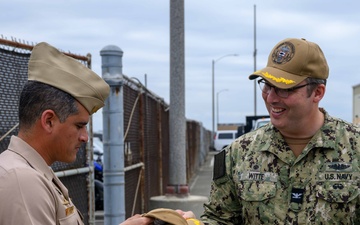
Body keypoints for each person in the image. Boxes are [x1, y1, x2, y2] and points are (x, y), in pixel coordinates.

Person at [200, 38, 360, 224]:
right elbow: (220, 219)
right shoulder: (239, 153)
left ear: (317, 93)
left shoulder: (354, 147)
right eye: (267, 85)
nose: (271, 97)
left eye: (285, 89)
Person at [0, 42, 153, 225]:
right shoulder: (22, 181)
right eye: (79, 125)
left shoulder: (31, 173)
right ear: (49, 121)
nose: (85, 137)